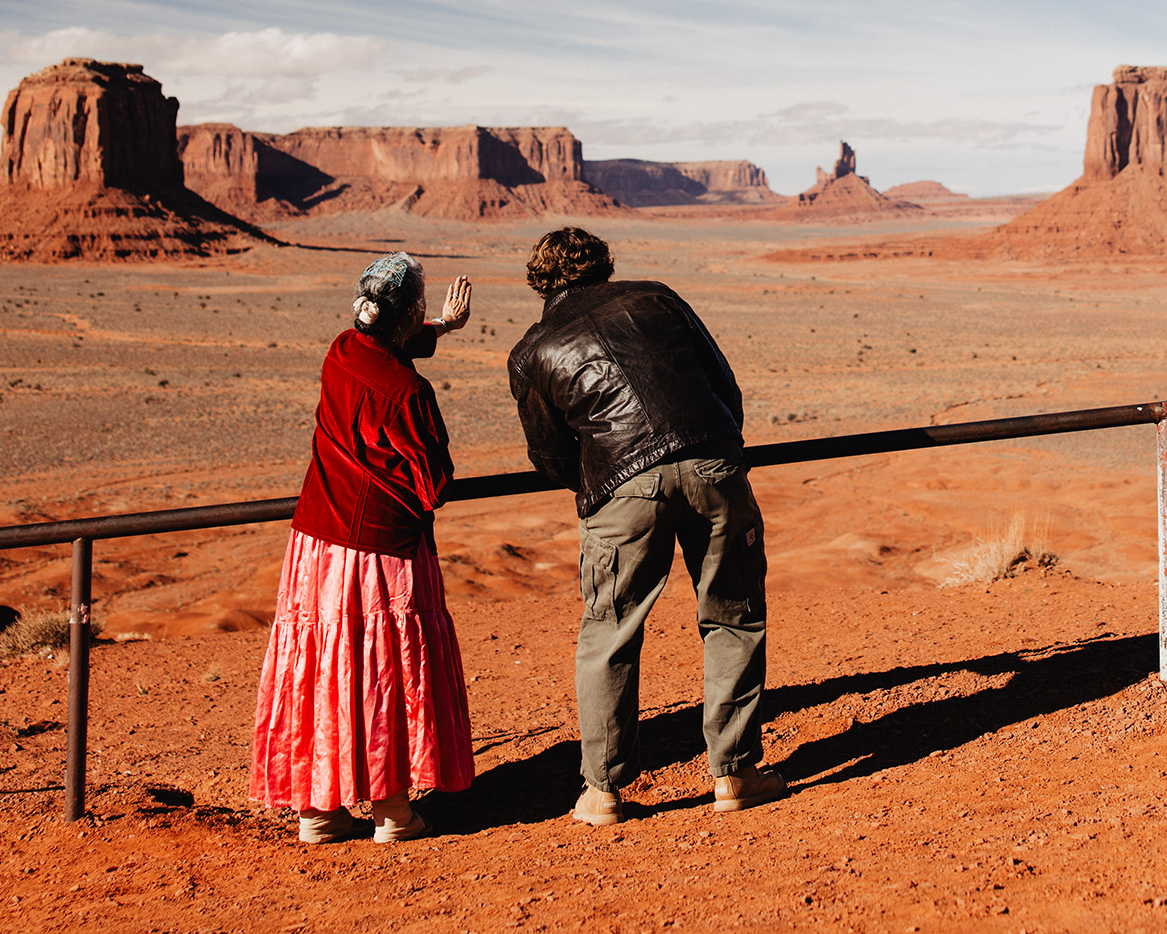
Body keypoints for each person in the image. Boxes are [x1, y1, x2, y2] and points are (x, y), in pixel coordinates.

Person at [507, 227, 784, 826]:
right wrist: (719, 452)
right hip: (712, 464)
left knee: (610, 631)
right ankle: (735, 773)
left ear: (539, 281)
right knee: (733, 615)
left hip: (620, 489)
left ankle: (603, 792)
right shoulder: (657, 297)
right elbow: (723, 385)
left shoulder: (532, 351)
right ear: (603, 265)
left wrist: (606, 481)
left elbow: (549, 456)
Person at [249, 253, 476, 844]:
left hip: (316, 547)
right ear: (410, 314)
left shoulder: (341, 351)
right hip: (382, 551)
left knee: (323, 668)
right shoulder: (410, 393)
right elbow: (435, 484)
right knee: (382, 668)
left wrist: (441, 329)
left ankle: (318, 811)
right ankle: (393, 811)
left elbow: (386, 348)